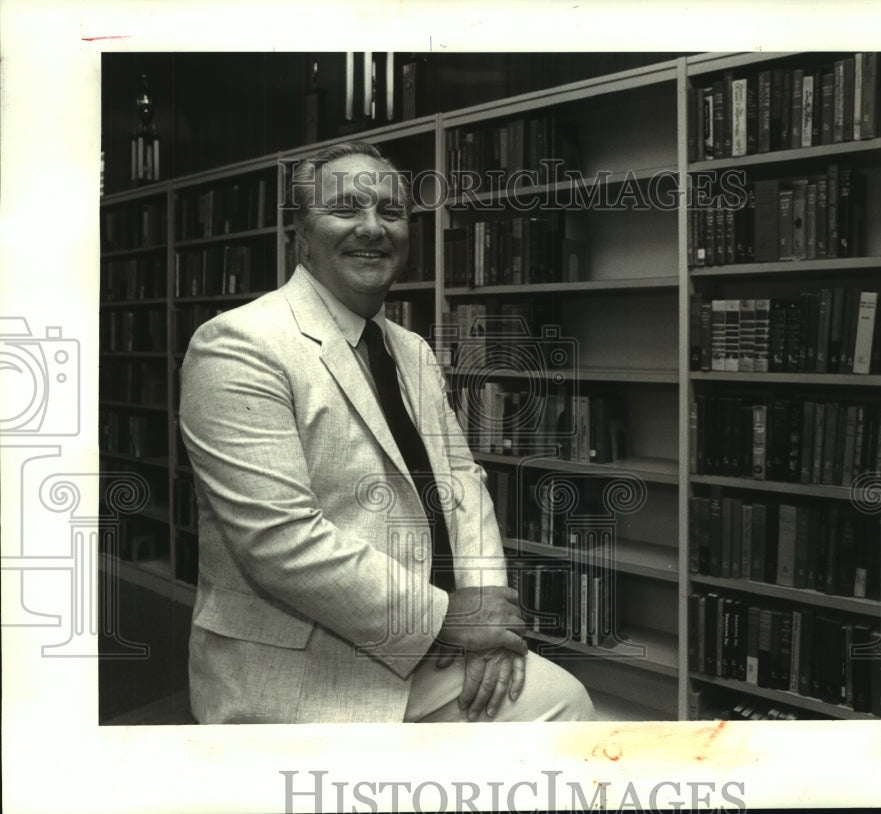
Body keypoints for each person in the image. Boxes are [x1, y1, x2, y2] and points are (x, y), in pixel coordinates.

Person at [179, 141, 595, 723]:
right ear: (301, 229)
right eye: (346, 209)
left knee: (565, 705)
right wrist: (448, 617)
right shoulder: (239, 344)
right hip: (310, 669)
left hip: (431, 642)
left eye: (391, 213)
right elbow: (279, 540)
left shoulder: (413, 351)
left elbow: (463, 485)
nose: (372, 228)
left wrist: (487, 626)